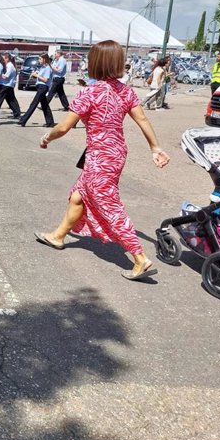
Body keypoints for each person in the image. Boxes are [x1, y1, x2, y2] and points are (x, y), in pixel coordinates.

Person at [34, 40, 170, 281]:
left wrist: (47, 137)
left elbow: (64, 126)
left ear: (96, 63)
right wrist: (155, 147)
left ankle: (140, 258)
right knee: (78, 195)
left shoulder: (90, 92)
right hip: (116, 153)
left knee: (109, 206)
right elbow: (143, 120)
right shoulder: (125, 91)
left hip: (99, 158)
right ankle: (58, 236)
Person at [18, 53, 54, 127]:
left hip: (43, 87)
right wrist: (34, 76)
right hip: (40, 87)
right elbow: (40, 77)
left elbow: (45, 80)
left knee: (34, 103)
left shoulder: (47, 68)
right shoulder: (42, 67)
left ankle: (23, 120)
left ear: (45, 59)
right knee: (44, 105)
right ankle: (50, 122)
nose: (39, 60)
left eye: (40, 59)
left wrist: (37, 75)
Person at [0, 53, 21, 124]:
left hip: (6, 85)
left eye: (3, 59)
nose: (2, 60)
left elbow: (6, 76)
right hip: (8, 85)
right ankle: (17, 113)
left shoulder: (9, 66)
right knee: (11, 100)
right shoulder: (8, 65)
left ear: (7, 59)